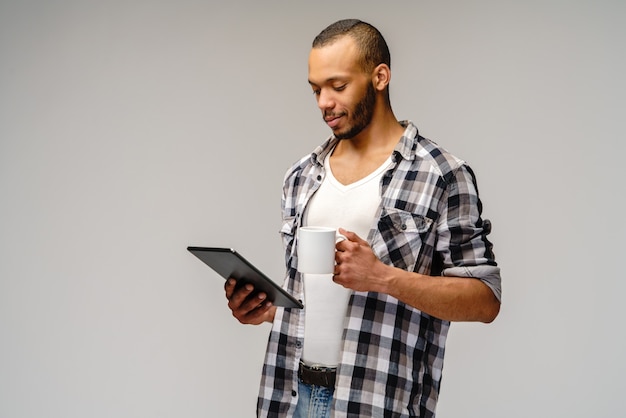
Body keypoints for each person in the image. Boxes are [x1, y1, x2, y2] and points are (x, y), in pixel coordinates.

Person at [224, 18, 501, 418]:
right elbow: (316, 302)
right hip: (290, 395)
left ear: (380, 77)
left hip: (375, 399)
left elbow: (486, 300)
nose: (323, 102)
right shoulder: (302, 176)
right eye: (316, 89)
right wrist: (266, 310)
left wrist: (381, 277)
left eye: (338, 87)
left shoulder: (441, 173)